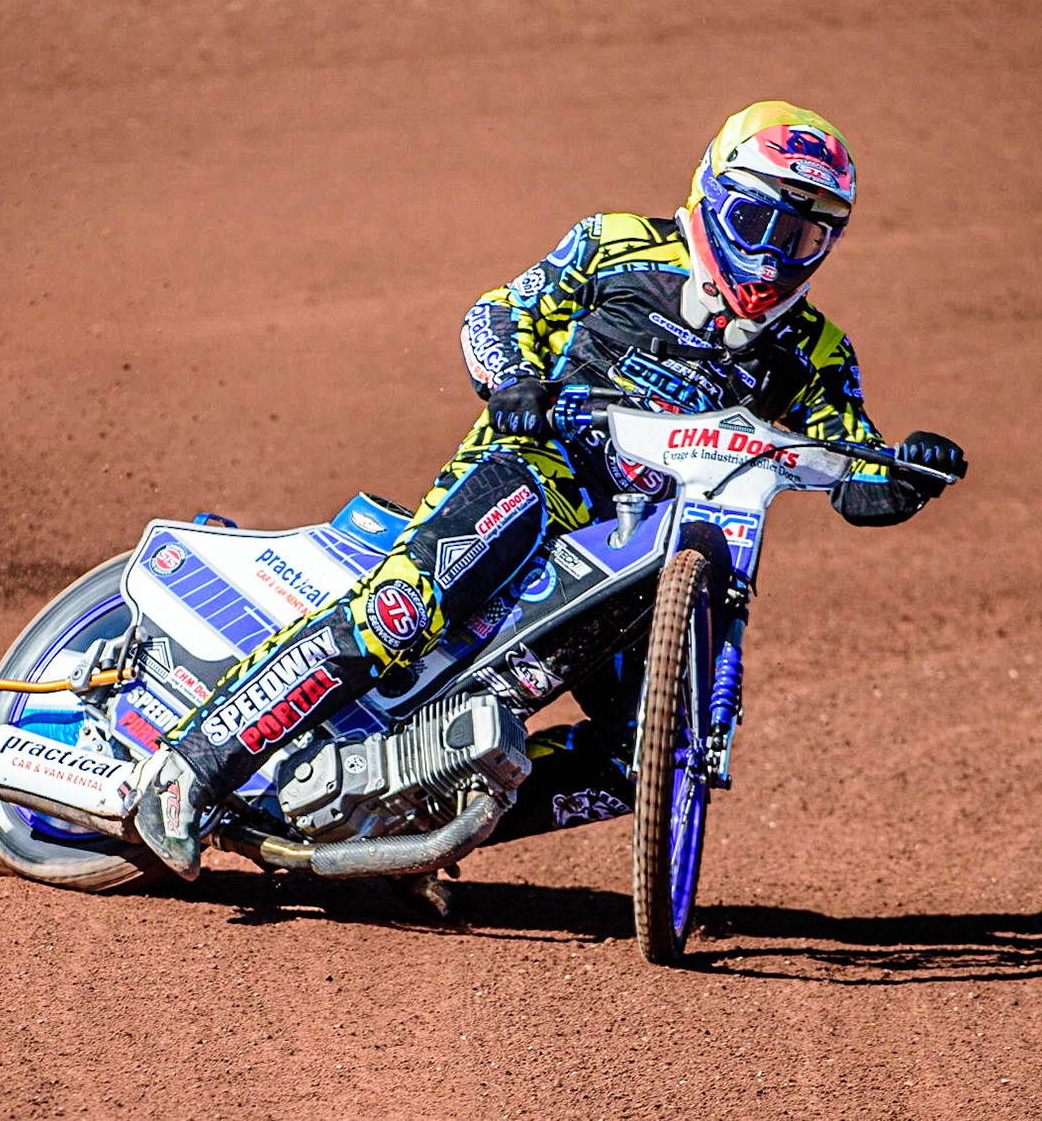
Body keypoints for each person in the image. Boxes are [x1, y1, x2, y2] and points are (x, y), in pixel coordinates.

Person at [131, 100, 968, 879]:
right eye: (758, 222)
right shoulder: (616, 244)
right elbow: (498, 313)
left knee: (654, 750)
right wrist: (514, 381)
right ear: (712, 196)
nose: (775, 254)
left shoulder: (817, 352)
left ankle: (412, 831)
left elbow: (854, 468)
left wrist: (907, 476)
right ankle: (189, 767)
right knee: (403, 610)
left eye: (806, 238)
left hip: (661, 553)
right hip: (542, 475)